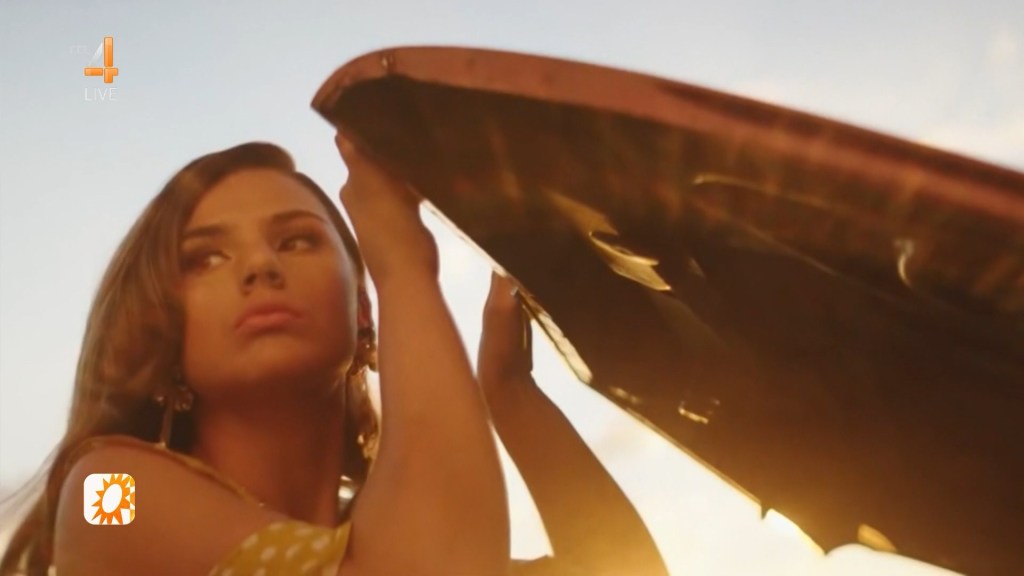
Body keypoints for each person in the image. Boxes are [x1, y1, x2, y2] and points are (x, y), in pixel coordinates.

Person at [0, 133, 667, 575]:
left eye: (296, 241)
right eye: (206, 258)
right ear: (159, 327)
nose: (260, 266)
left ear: (361, 314)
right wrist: (403, 263)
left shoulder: (395, 537)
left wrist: (512, 395)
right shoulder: (105, 493)